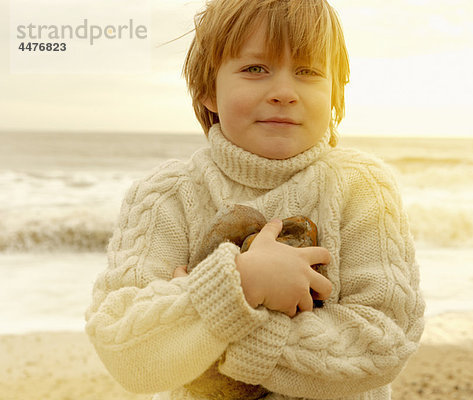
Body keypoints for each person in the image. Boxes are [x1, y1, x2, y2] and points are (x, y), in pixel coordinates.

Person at [85, 0, 425, 399]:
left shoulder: (362, 187)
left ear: (335, 90)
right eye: (254, 69)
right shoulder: (165, 196)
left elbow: (384, 344)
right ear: (207, 89)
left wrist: (215, 325)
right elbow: (124, 349)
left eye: (308, 71)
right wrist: (242, 282)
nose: (284, 92)